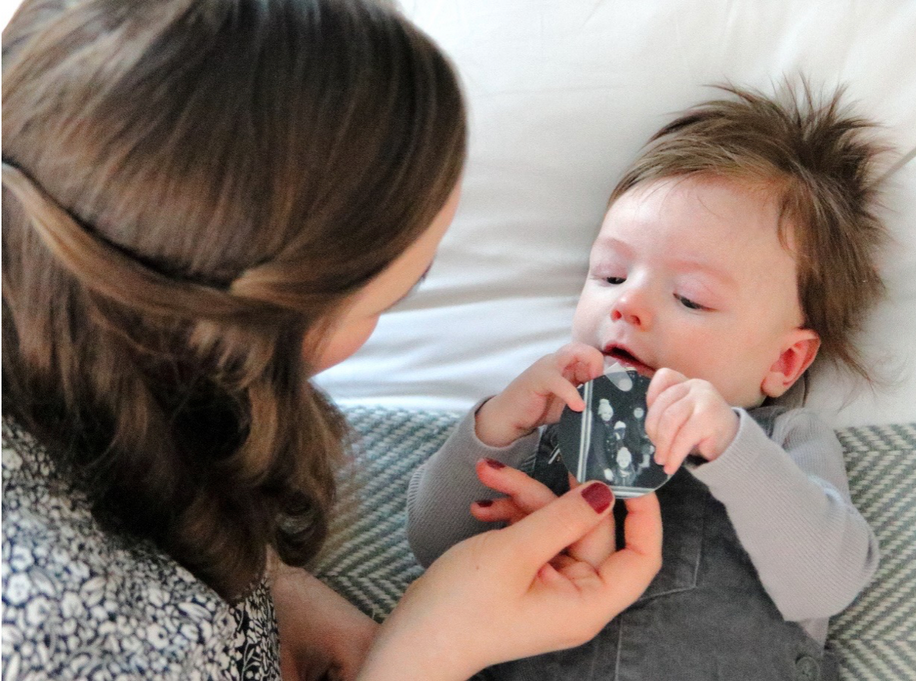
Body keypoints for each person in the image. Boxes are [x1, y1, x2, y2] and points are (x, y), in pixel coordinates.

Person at [0, 1, 664, 679]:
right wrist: (430, 649)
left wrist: (276, 590)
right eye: (389, 297)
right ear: (242, 329)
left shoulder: (106, 359)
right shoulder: (39, 613)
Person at [407, 81, 886, 680]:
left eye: (690, 298)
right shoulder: (551, 420)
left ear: (784, 362)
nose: (628, 304)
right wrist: (497, 428)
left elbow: (828, 584)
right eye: (609, 275)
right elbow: (432, 545)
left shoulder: (782, 440)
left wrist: (733, 448)